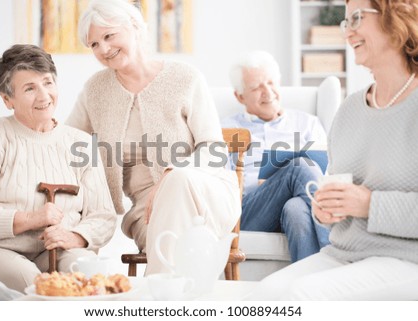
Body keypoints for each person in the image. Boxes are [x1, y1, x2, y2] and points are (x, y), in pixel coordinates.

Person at [248, 0, 418, 300]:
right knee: (262, 297)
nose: (348, 33)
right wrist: (327, 210)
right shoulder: (350, 109)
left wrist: (369, 204)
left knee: (301, 297)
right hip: (344, 253)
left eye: (356, 18)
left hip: (407, 259)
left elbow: (365, 202)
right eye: (345, 23)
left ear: (398, 17)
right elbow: (341, 193)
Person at [66, 0, 240, 274]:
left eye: (109, 36)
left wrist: (173, 173)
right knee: (178, 244)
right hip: (147, 209)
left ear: (134, 27)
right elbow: (67, 143)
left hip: (205, 190)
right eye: (94, 44)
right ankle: (171, 298)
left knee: (178, 182)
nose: (103, 49)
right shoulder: (96, 89)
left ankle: (157, 296)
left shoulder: (185, 77)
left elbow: (214, 148)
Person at [0, 44, 117, 293]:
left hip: (59, 248)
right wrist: (29, 219)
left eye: (48, 82)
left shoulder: (80, 143)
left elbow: (103, 216)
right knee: (34, 283)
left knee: (88, 276)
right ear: (7, 100)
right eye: (29, 88)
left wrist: (75, 236)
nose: (44, 95)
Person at [221, 51, 330, 262]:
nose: (267, 92)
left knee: (296, 210)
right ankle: (335, 249)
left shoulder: (309, 124)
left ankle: (310, 287)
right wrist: (267, 186)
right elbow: (219, 186)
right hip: (250, 212)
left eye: (271, 83)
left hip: (300, 205)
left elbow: (327, 174)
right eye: (256, 87)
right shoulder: (226, 128)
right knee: (299, 166)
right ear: (240, 96)